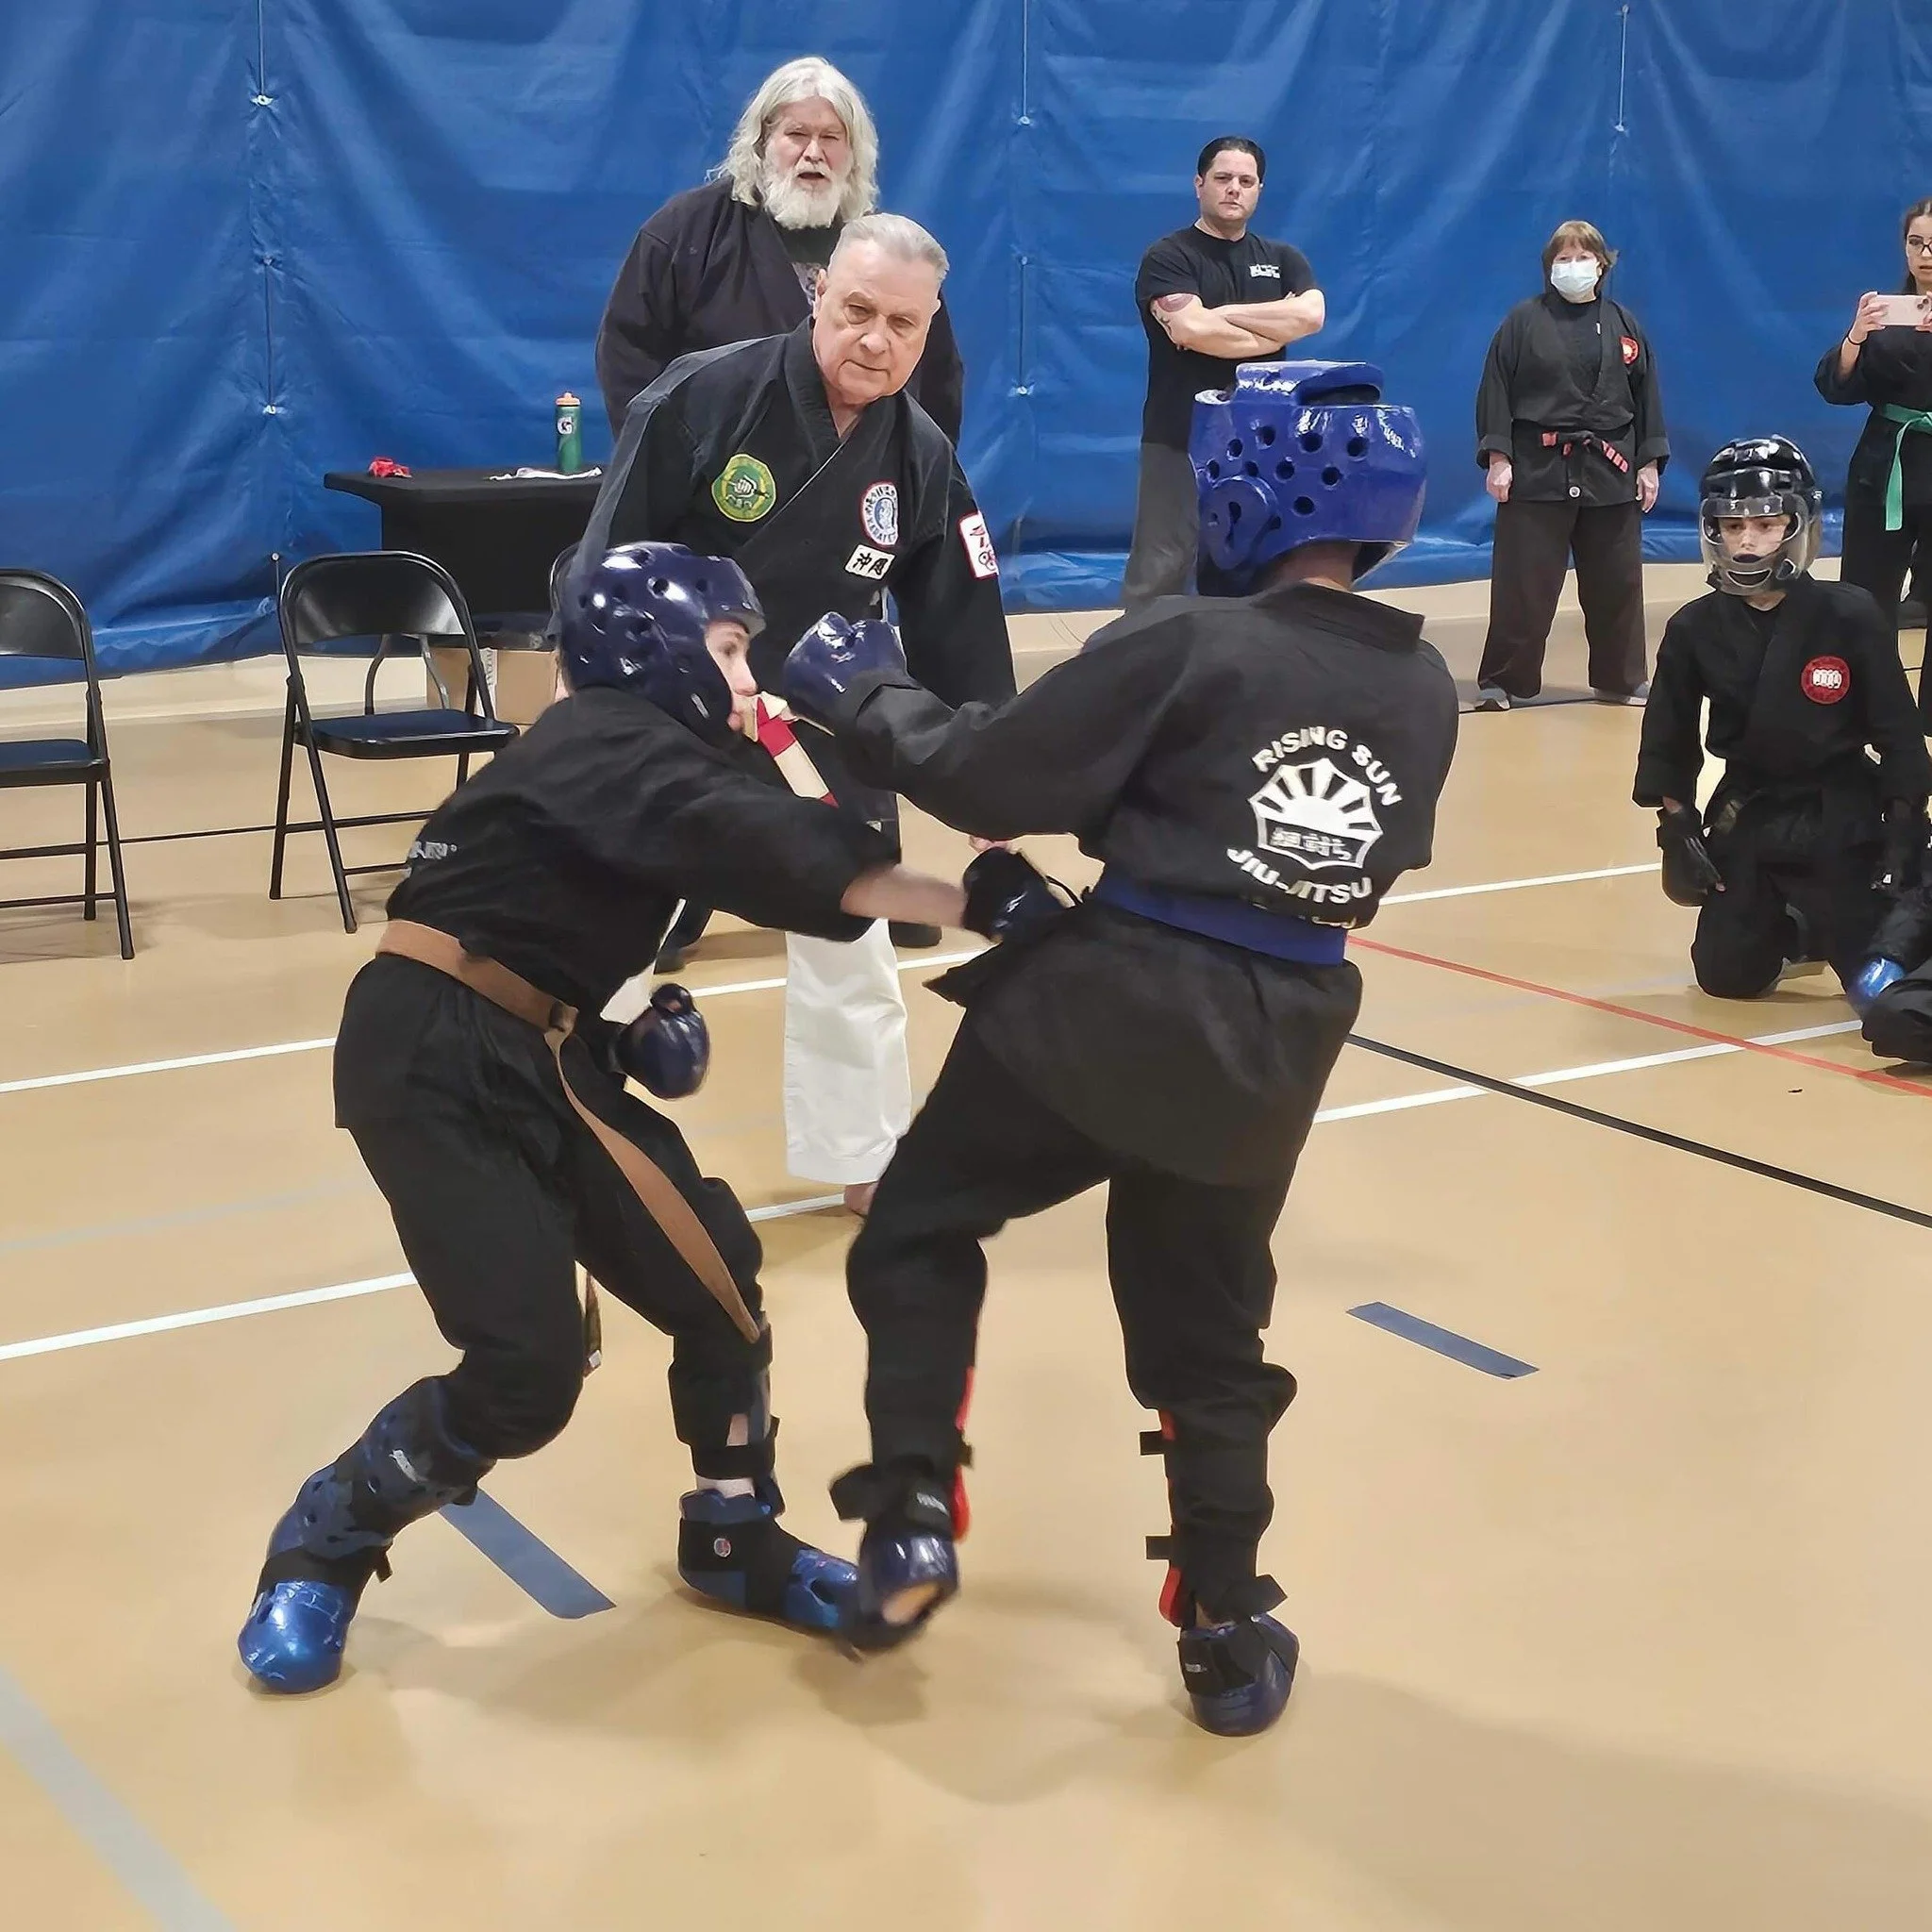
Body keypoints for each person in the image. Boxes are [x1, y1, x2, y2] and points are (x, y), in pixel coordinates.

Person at [780, 360, 1459, 1736]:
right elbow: (1333, 864)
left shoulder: (1191, 639)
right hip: (1275, 1044)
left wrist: (864, 694)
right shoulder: (1425, 682)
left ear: (1246, 496)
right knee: (1207, 1336)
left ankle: (910, 1510)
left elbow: (990, 774)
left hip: (1107, 1009)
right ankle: (1225, 1624)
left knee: (915, 1230)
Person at [234, 542, 989, 1695]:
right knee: (526, 1373)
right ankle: (325, 1537)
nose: (748, 675)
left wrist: (624, 1022)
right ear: (655, 648)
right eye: (730, 648)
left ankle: (733, 1534)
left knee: (718, 1286)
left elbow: (560, 892)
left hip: (544, 1043)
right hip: (431, 1053)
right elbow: (794, 854)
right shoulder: (611, 737)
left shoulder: (635, 756)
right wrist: (984, 901)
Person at [578, 214, 1014, 1216]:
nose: (876, 340)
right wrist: (594, 697)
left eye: (903, 324)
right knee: (602, 938)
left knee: (852, 948)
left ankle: (866, 1159)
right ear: (818, 296)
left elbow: (959, 626)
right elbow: (608, 561)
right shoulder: (703, 396)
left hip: (813, 731)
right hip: (673, 712)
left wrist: (990, 784)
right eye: (857, 310)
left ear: (928, 330)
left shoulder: (920, 455)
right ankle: (576, 1128)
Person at [594, 54, 968, 970]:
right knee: (693, 737)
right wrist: (674, 464)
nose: (812, 151)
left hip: (842, 547)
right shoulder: (687, 233)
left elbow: (934, 386)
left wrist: (895, 479)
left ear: (855, 153)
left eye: (831, 137)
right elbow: (632, 361)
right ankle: (672, 901)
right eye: (795, 133)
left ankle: (863, 879)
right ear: (759, 141)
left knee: (847, 725)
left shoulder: (883, 250)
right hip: (712, 526)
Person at [1632, 438, 1930, 1002]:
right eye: (1732, 526)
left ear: (1798, 526)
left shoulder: (1850, 614)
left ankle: (1831, 920)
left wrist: (1905, 833)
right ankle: (1794, 925)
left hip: (1843, 813)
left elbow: (1899, 734)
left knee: (1878, 987)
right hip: (1751, 809)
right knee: (1727, 977)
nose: (1747, 541)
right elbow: (1669, 737)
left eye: (1766, 525)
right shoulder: (1694, 627)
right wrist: (1677, 830)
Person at [1474, 219, 1667, 709]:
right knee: (1524, 585)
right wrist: (1499, 457)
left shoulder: (1624, 324)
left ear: (1602, 266)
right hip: (1537, 468)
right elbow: (1495, 388)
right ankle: (1504, 680)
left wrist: (1648, 463)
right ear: (1549, 267)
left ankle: (1621, 678)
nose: (1574, 266)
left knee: (1617, 582)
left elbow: (1646, 396)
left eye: (1584, 257)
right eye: (1564, 258)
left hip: (1610, 468)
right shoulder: (1522, 322)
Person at [1124, 137, 1324, 608]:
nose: (1234, 188)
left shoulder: (1283, 259)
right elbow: (1192, 329)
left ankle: (1239, 651)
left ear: (1259, 190)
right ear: (1199, 184)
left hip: (1261, 441)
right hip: (1180, 436)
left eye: (1246, 181)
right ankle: (1143, 650)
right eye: (1223, 178)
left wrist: (1225, 315)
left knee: (1251, 560)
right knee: (1164, 564)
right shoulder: (1169, 256)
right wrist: (1271, 330)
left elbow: (1311, 316)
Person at [1814, 195, 1932, 708]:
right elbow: (1836, 387)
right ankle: (1869, 708)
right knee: (1866, 594)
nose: (1925, 254)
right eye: (1916, 243)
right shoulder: (1885, 312)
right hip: (1888, 466)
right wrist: (1856, 336)